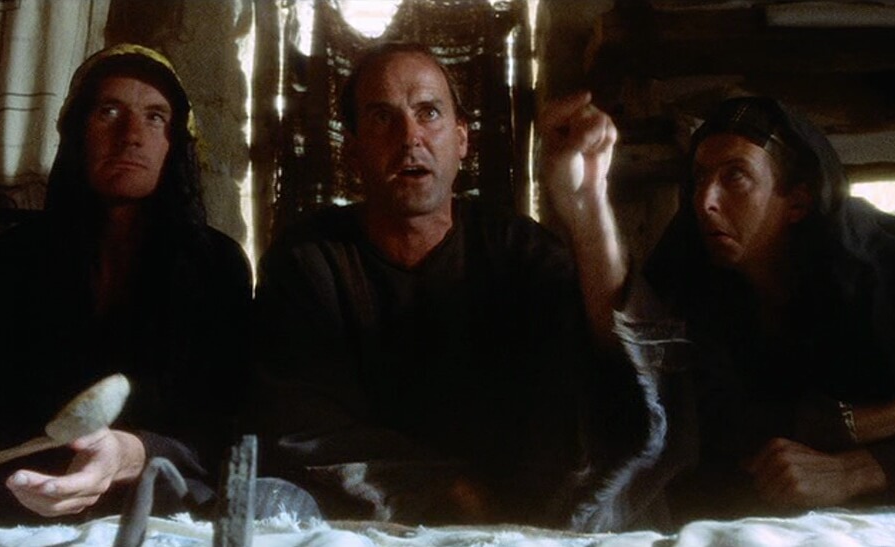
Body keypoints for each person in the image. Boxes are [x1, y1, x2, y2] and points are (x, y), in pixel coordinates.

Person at [249, 42, 675, 529]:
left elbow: (615, 365)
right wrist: (448, 490)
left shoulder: (517, 249)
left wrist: (587, 204)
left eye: (428, 113)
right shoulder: (309, 261)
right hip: (369, 517)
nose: (410, 138)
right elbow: (299, 422)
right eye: (383, 118)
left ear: (462, 140)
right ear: (352, 150)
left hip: (517, 514)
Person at [0, 44, 253, 522]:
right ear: (77, 135)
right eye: (108, 112)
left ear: (174, 143)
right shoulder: (10, 261)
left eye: (155, 117)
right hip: (16, 503)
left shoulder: (216, 267)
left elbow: (225, 424)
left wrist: (130, 453)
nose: (131, 136)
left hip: (159, 511)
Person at [641, 96, 895, 522]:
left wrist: (859, 470)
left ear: (797, 202)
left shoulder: (876, 271)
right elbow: (700, 419)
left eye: (735, 176)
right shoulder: (689, 268)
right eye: (699, 177)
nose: (704, 200)